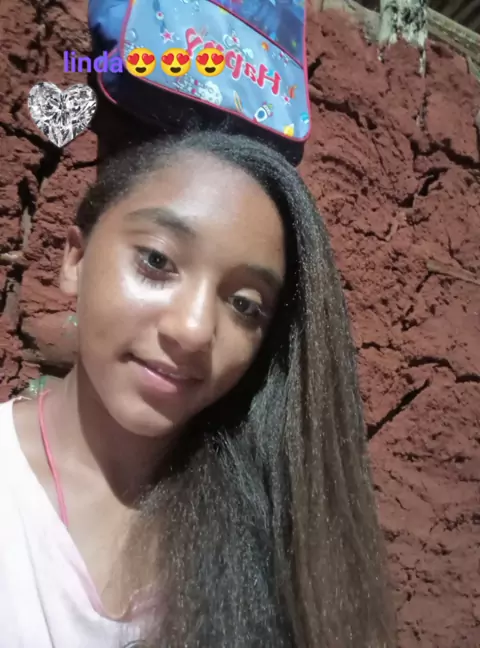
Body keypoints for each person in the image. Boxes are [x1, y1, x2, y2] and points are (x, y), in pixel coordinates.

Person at [0, 130, 396, 648]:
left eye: (244, 304)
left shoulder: (274, 535)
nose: (192, 330)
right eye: (157, 261)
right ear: (75, 259)